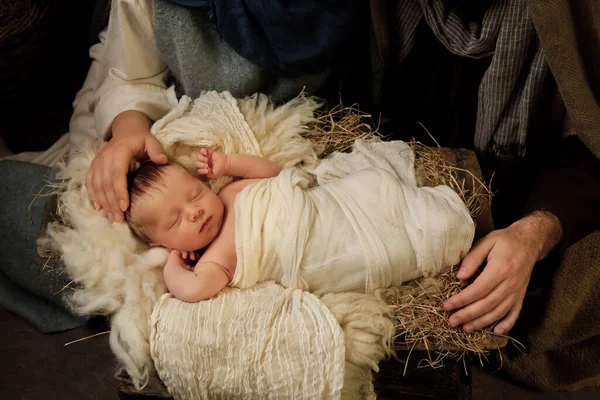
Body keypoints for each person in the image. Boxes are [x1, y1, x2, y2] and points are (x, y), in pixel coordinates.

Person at [124, 144, 474, 303]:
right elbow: (192, 290)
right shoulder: (216, 260)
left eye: (195, 194)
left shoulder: (231, 193)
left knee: (374, 185)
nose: (195, 211)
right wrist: (172, 264)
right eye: (175, 220)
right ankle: (435, 227)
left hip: (324, 207)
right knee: (381, 249)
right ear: (163, 244)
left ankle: (404, 201)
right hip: (320, 247)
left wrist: (230, 162)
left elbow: (273, 175)